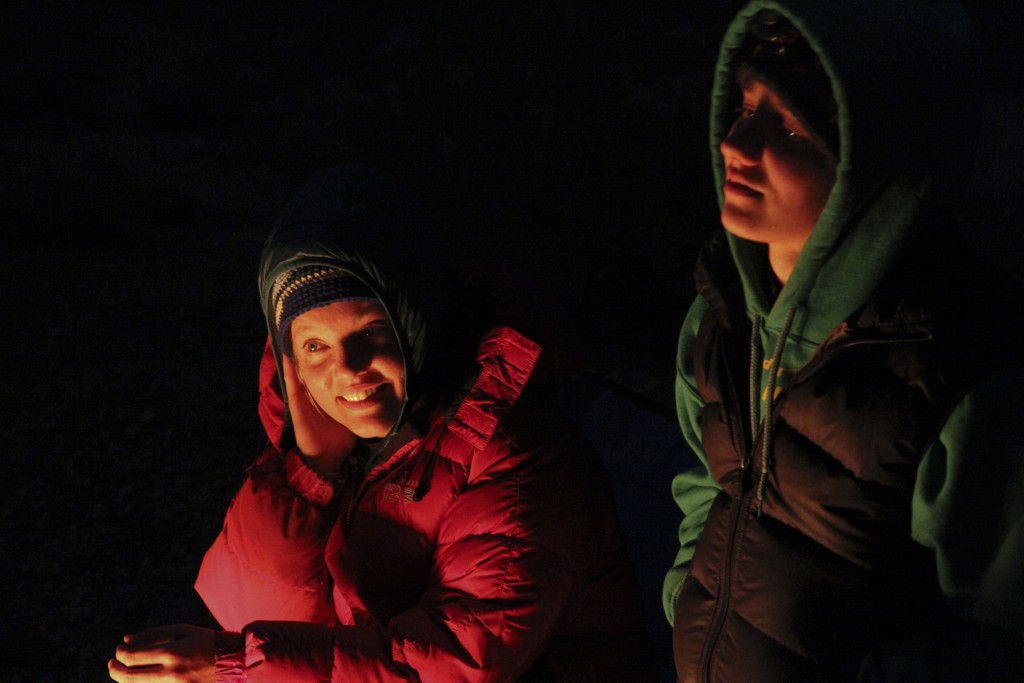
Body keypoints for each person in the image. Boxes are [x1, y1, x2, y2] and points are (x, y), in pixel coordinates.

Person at [108, 164, 646, 682]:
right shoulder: (335, 447)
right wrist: (307, 473)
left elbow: (459, 663)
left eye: (369, 333)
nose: (346, 369)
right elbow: (262, 615)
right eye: (315, 346)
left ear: (416, 325)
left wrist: (233, 666)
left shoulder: (514, 450)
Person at [663, 1, 1024, 681]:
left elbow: (999, 632)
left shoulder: (955, 368)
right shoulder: (719, 318)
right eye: (745, 104)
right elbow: (704, 488)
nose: (737, 144)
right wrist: (686, 596)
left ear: (876, 162)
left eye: (790, 126)